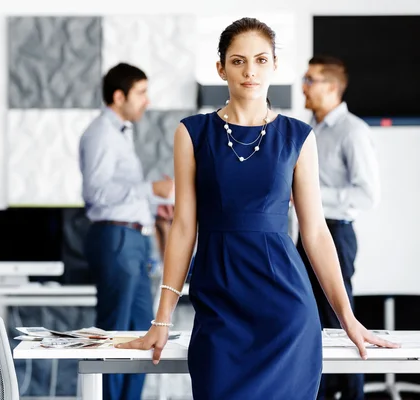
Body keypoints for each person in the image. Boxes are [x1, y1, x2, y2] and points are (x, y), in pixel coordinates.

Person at [116, 17, 397, 399]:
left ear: (275, 66)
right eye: (238, 61)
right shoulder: (192, 133)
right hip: (219, 305)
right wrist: (161, 317)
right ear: (221, 68)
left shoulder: (299, 137)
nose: (250, 70)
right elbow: (183, 229)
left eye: (262, 60)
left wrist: (347, 317)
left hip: (286, 312)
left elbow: (315, 231)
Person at [79, 62, 174, 400]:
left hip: (134, 239)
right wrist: (151, 190)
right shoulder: (101, 133)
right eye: (141, 93)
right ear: (119, 96)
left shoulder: (121, 132)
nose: (147, 101)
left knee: (140, 334)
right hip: (116, 239)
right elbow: (97, 194)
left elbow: (122, 192)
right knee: (112, 334)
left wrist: (154, 204)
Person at [298, 55, 381, 400]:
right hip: (306, 232)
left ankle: (351, 395)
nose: (303, 85)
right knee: (312, 322)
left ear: (332, 87)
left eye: (311, 79)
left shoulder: (353, 131)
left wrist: (308, 196)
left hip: (334, 231)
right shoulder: (308, 130)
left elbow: (367, 194)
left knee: (339, 320)